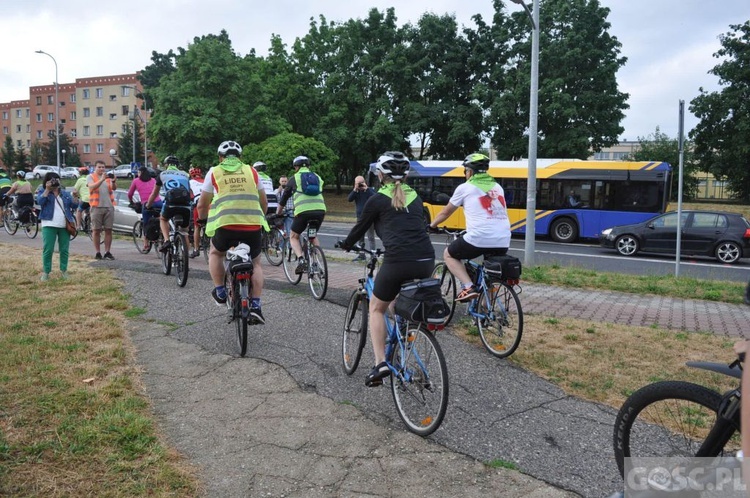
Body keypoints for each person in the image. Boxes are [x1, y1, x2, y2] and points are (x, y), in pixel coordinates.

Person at [339, 151, 435, 387]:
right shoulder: (417, 198)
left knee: (375, 308)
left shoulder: (377, 199)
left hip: (398, 260)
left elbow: (359, 229)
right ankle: (403, 335)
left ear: (381, 175)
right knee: (395, 300)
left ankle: (380, 362)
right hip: (426, 260)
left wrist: (347, 245)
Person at [197, 140, 267, 322]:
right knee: (256, 263)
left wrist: (203, 220)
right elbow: (263, 202)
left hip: (225, 226)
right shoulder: (252, 171)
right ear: (240, 157)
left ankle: (220, 291)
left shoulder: (214, 171)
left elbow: (202, 204)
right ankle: (257, 306)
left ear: (220, 157)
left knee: (215, 253)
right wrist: (261, 217)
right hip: (252, 225)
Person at [428, 153, 511, 302]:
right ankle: (487, 310)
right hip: (503, 239)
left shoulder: (465, 187)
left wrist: (432, 225)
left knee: (449, 254)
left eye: (465, 171)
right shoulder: (498, 187)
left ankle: (468, 287)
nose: (465, 174)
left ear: (470, 171)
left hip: (479, 237)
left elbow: (446, 212)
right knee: (490, 274)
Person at [276, 156, 326, 275]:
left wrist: (278, 213)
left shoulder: (294, 178)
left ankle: (301, 259)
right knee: (312, 236)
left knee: (293, 236)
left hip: (303, 212)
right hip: (320, 211)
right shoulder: (317, 177)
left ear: (296, 167)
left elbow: (284, 198)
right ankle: (317, 261)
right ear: (308, 166)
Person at [145, 155, 191, 254]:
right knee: (184, 231)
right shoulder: (185, 174)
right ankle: (185, 253)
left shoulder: (162, 174)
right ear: (177, 165)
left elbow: (154, 194)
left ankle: (166, 241)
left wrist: (148, 205)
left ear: (166, 165)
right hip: (186, 205)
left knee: (163, 219)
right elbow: (190, 191)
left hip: (171, 204)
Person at [36, 171, 76, 281]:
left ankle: (64, 271)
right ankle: (46, 272)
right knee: (48, 249)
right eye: (52, 180)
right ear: (47, 181)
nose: (55, 182)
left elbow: (75, 204)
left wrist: (76, 197)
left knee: (64, 249)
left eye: (57, 180)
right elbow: (40, 201)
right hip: (49, 224)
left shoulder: (65, 193)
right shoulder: (43, 192)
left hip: (64, 225)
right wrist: (47, 189)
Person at [87, 160, 117, 260]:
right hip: (96, 207)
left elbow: (113, 189)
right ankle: (97, 252)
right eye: (99, 167)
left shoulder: (107, 178)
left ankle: (107, 251)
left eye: (103, 167)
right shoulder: (91, 177)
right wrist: (101, 180)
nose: (101, 169)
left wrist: (113, 182)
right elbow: (91, 187)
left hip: (109, 206)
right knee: (96, 230)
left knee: (108, 229)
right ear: (95, 168)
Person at [128, 166, 161, 251]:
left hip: (147, 204)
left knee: (146, 224)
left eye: (138, 172)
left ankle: (146, 244)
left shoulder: (136, 181)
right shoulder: (153, 180)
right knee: (161, 219)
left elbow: (130, 193)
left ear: (140, 173)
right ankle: (162, 235)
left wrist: (131, 201)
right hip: (158, 203)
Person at [347, 175, 377, 261]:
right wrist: (354, 189)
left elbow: (375, 197)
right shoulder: (356, 192)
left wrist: (366, 189)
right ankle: (361, 255)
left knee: (371, 237)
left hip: (369, 218)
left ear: (364, 182)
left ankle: (373, 256)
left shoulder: (369, 190)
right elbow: (349, 199)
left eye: (361, 183)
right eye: (357, 183)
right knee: (360, 237)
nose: (359, 185)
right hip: (360, 218)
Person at [188, 167, 204, 258]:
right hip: (210, 202)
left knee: (197, 226)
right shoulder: (205, 180)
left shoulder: (189, 182)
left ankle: (196, 249)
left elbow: (189, 195)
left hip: (198, 203)